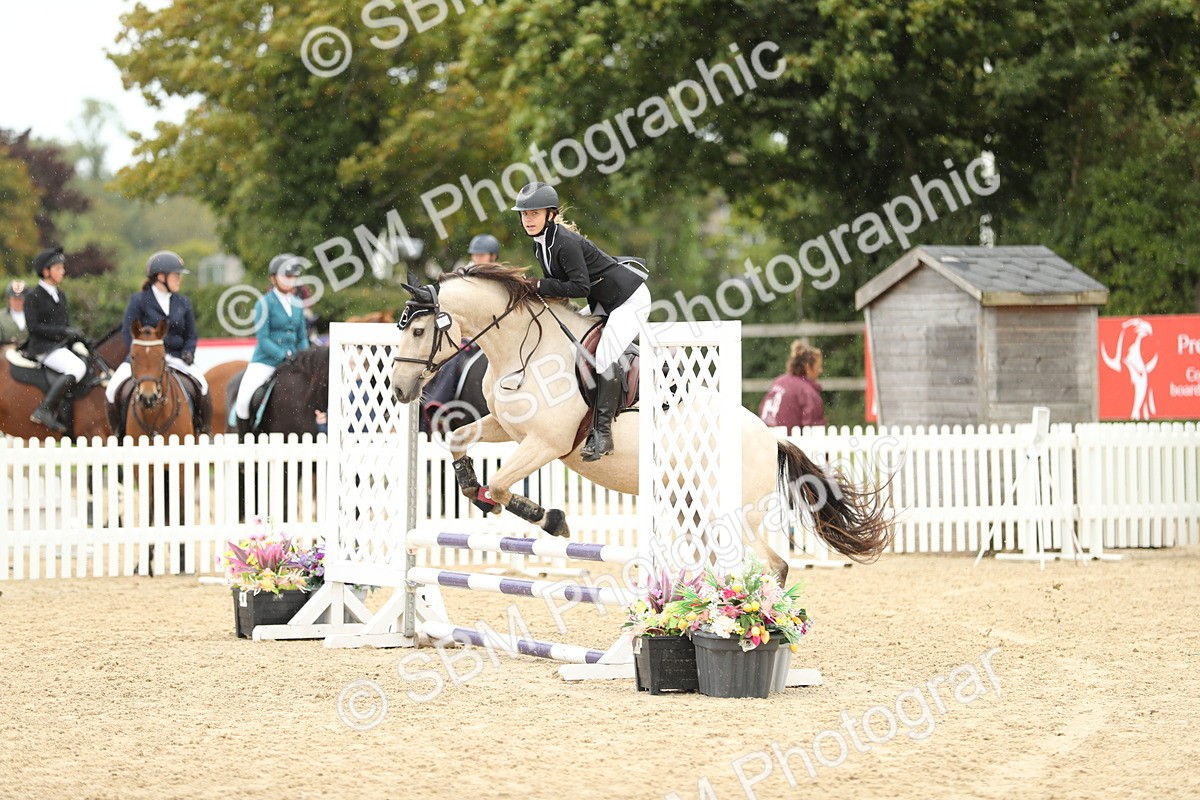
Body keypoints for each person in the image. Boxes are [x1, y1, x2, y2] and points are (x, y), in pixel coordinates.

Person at [512, 181, 650, 461]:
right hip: (604, 301)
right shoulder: (541, 245)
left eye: (534, 213)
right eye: (524, 214)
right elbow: (559, 288)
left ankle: (602, 434)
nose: (528, 219)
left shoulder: (564, 243)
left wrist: (538, 285)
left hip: (629, 299)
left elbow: (579, 288)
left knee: (603, 356)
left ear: (550, 214)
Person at [105, 251, 211, 435]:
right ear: (161, 277)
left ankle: (203, 430)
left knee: (203, 386)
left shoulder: (183, 302)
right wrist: (137, 355)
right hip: (144, 360)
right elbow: (127, 331)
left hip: (177, 357)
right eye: (176, 275)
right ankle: (118, 434)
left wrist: (188, 352)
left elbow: (191, 334)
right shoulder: (139, 300)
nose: (179, 279)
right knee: (112, 389)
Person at [234, 253, 309, 435]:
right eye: (286, 276)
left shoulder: (298, 304)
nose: (290, 280)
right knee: (243, 401)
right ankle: (244, 440)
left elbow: (302, 336)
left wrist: (305, 356)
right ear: (274, 278)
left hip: (294, 360)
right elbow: (263, 338)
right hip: (266, 361)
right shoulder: (263, 303)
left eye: (293, 277)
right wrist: (283, 355)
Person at [21, 247, 87, 433]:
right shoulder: (33, 296)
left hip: (60, 347)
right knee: (77, 368)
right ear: (46, 271)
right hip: (43, 348)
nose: (63, 271)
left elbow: (64, 323)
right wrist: (63, 331)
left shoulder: (61, 295)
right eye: (58, 268)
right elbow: (34, 327)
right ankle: (45, 409)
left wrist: (76, 337)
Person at [758, 341, 827, 430]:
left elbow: (762, 407)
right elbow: (813, 429)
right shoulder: (808, 392)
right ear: (807, 367)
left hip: (765, 436)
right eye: (819, 366)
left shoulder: (778, 381)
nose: (820, 371)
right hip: (788, 441)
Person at [0, 280, 28, 344]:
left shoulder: (35, 314)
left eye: (21, 299)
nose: (18, 302)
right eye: (15, 299)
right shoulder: (1, 317)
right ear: (9, 299)